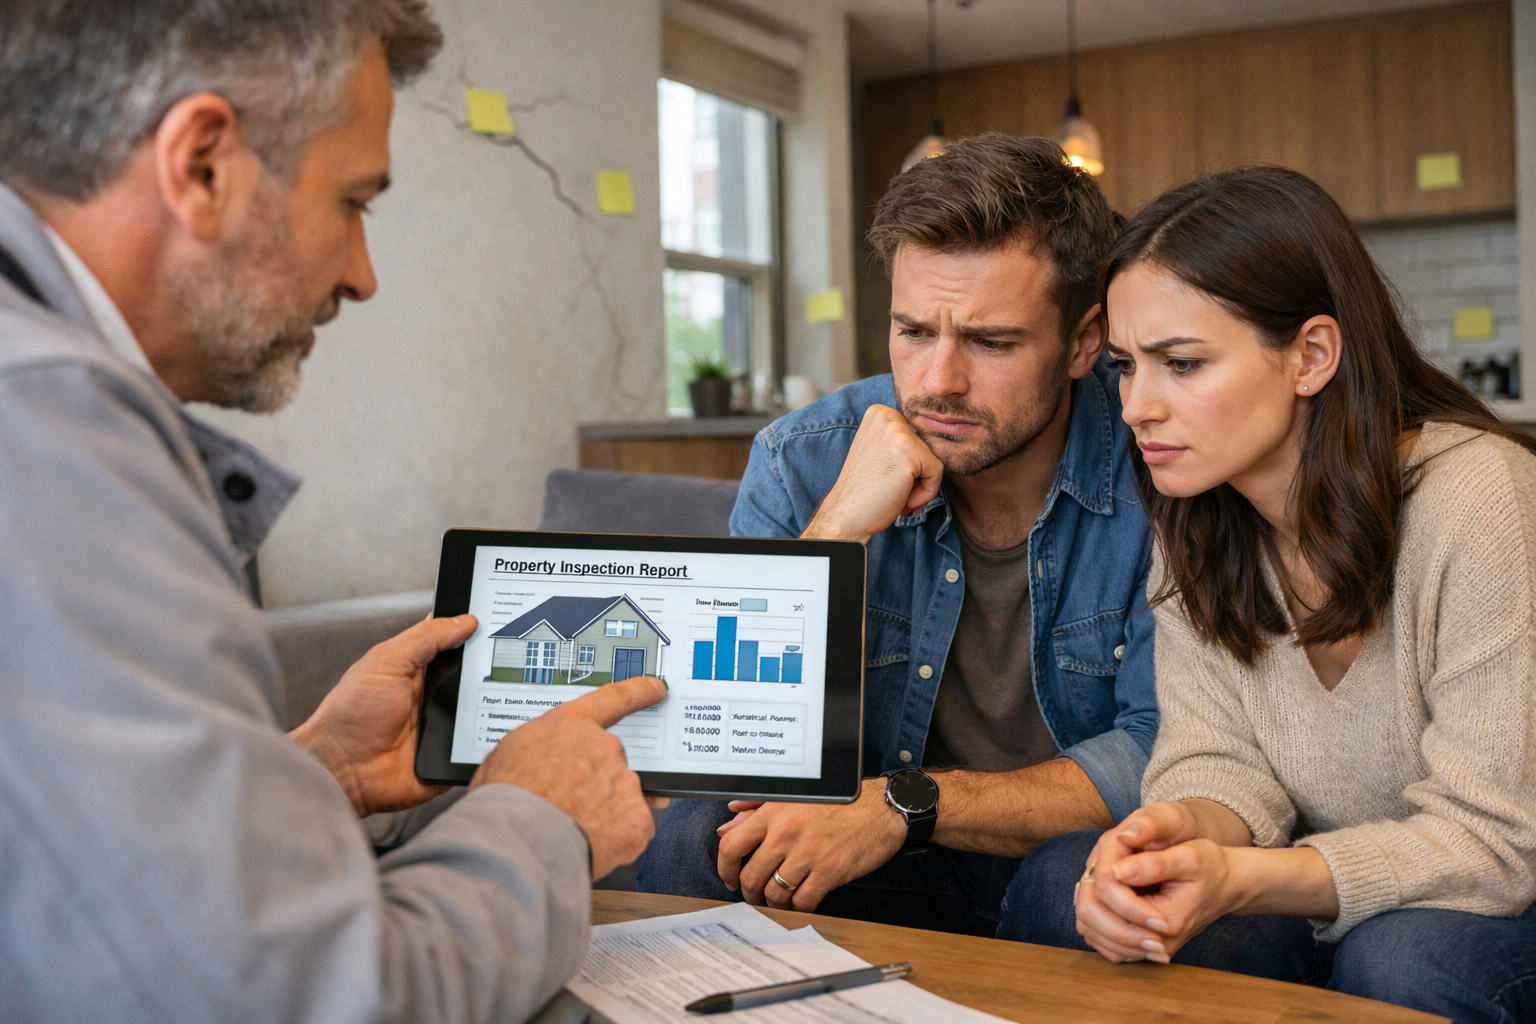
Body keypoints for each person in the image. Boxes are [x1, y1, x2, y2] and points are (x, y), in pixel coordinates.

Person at [0, 2, 667, 1020]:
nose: (362, 274)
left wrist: (319, 773)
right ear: (204, 164)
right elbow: (313, 1000)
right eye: (355, 201)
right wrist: (541, 817)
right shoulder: (54, 438)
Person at [1006, 166, 1536, 1023]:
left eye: (1181, 363)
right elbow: (1220, 760)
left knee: (1401, 954)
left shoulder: (1481, 499)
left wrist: (1245, 876)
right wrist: (1171, 838)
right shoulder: (1198, 519)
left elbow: (1497, 845)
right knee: (1065, 878)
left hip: (1496, 900)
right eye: (1126, 367)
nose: (1137, 405)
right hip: (1318, 888)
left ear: (1311, 356)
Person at [638, 133, 1158, 938]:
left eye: (991, 343)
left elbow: (1160, 753)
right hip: (870, 862)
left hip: (1049, 855)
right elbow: (733, 736)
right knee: (697, 836)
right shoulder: (804, 456)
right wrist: (839, 531)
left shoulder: (1159, 462)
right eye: (914, 332)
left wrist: (902, 805)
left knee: (1081, 874)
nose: (939, 382)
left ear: (1084, 341)